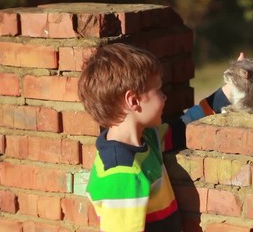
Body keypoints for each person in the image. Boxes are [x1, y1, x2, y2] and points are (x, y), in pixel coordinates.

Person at [78, 43, 239, 232]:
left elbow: (183, 126)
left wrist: (229, 91)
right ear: (134, 101)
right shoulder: (121, 172)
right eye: (159, 90)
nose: (165, 97)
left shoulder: (148, 138)